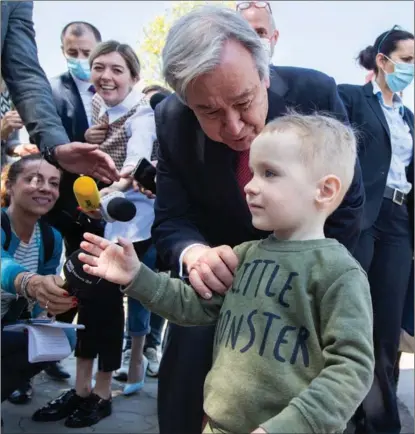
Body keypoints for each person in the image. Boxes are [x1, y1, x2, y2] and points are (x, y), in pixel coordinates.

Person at [78, 111, 374, 434]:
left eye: (269, 173)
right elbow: (193, 305)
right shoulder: (245, 254)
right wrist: (137, 277)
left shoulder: (338, 272)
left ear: (325, 190)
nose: (249, 185)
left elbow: (351, 368)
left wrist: (290, 426)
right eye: (253, 172)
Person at [146, 6, 365, 433]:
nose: (232, 127)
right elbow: (172, 218)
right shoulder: (171, 120)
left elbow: (346, 204)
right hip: (214, 281)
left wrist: (308, 280)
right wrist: (194, 255)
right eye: (208, 112)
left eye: (244, 102)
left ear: (264, 74)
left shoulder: (315, 92)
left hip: (300, 280)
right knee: (182, 392)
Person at [32, 40, 157, 428]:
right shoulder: (101, 111)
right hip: (92, 218)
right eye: (99, 67)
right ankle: (81, 387)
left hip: (126, 225)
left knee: (104, 307)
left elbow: (135, 162)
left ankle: (101, 394)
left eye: (117, 69)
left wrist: (105, 194)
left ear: (134, 76)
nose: (106, 75)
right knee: (86, 301)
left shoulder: (143, 113)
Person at [338, 27, 414, 434]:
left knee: (387, 323)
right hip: (361, 216)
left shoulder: (409, 117)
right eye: (407, 59)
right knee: (352, 317)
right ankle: (343, 409)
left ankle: (380, 421)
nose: (412, 68)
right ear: (383, 61)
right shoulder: (350, 97)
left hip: (400, 222)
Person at [1, 1, 118, 183]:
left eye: (86, 52)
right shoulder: (53, 89)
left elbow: (24, 74)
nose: (80, 59)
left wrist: (57, 147)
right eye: (73, 52)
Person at [1, 155, 76, 406]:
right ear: (10, 185)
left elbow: (40, 296)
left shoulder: (50, 237)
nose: (45, 188)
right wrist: (31, 284)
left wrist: (50, 306)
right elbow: (3, 266)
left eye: (53, 183)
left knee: (64, 338)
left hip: (7, 324)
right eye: (34, 179)